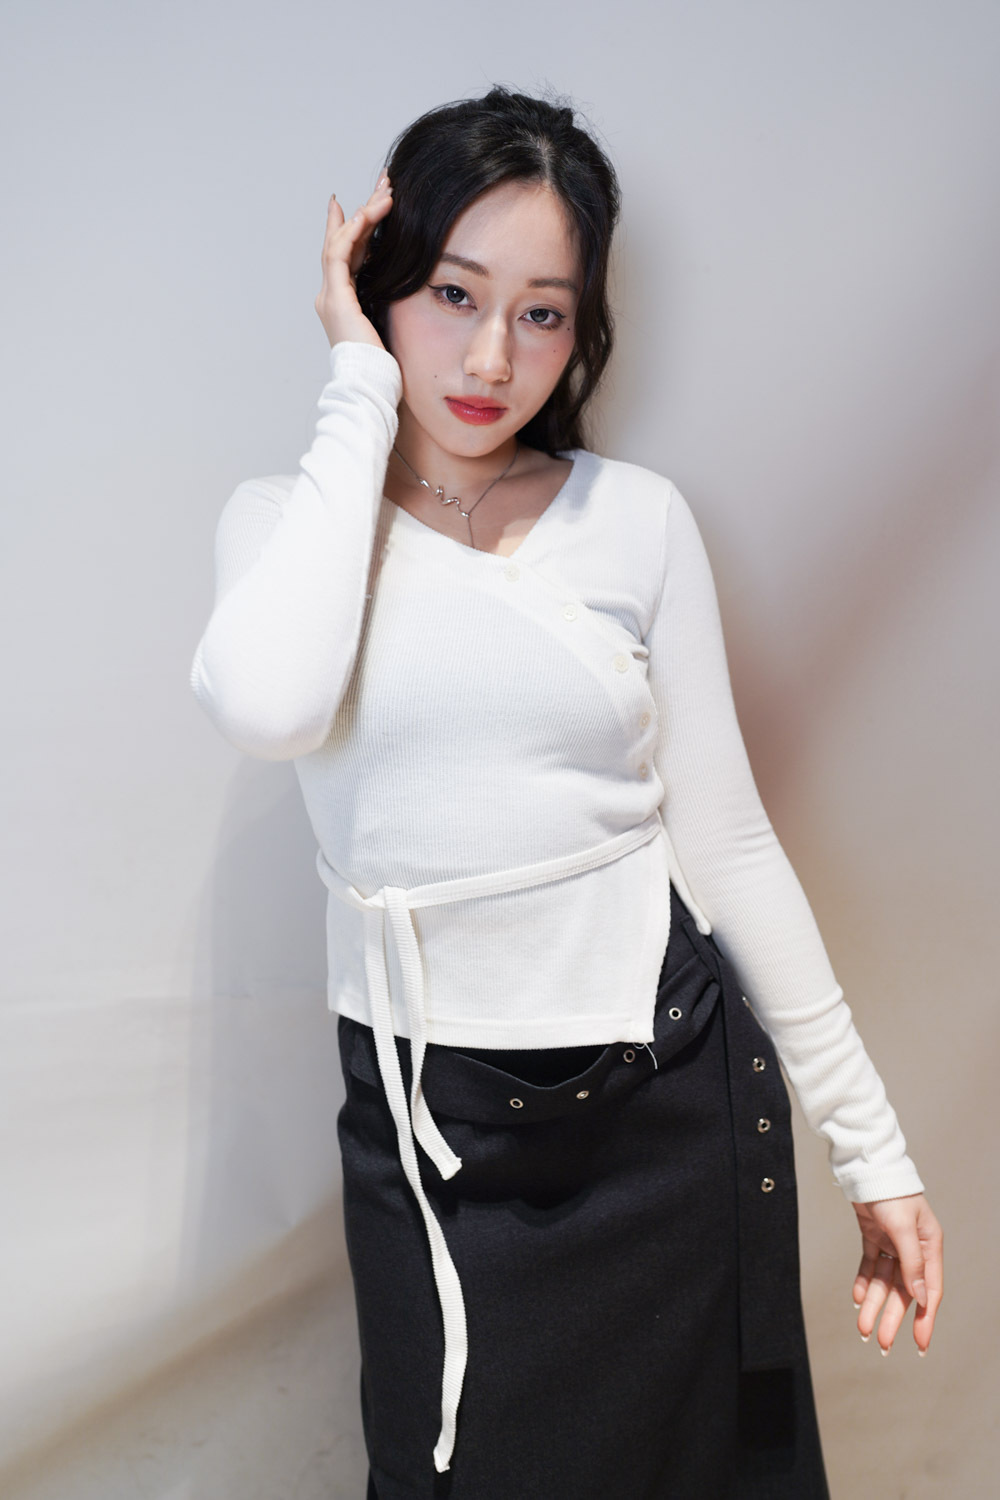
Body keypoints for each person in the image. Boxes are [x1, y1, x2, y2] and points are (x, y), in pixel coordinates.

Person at [189, 86, 943, 1499]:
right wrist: (355, 381)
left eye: (541, 313)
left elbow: (726, 845)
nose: (492, 357)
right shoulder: (285, 527)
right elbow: (272, 707)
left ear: (582, 329)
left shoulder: (635, 518)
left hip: (668, 1108)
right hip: (432, 1124)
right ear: (377, 288)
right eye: (451, 294)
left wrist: (875, 1153)